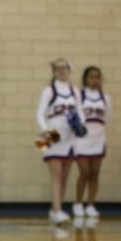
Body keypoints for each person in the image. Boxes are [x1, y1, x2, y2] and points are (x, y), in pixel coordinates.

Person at [37, 58, 86, 225]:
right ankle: (57, 211)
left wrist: (81, 125)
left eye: (65, 68)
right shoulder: (48, 91)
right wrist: (47, 133)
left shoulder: (75, 91)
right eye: (58, 68)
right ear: (54, 71)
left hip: (70, 137)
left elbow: (81, 112)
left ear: (70, 70)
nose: (62, 71)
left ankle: (55, 210)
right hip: (51, 135)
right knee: (56, 176)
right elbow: (39, 114)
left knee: (65, 177)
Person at [72, 66, 110, 220]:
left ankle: (91, 204)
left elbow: (107, 118)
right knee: (84, 172)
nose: (94, 80)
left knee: (95, 174)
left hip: (98, 138)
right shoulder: (78, 96)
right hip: (82, 139)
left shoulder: (105, 97)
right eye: (91, 77)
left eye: (97, 77)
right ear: (85, 79)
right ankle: (78, 203)